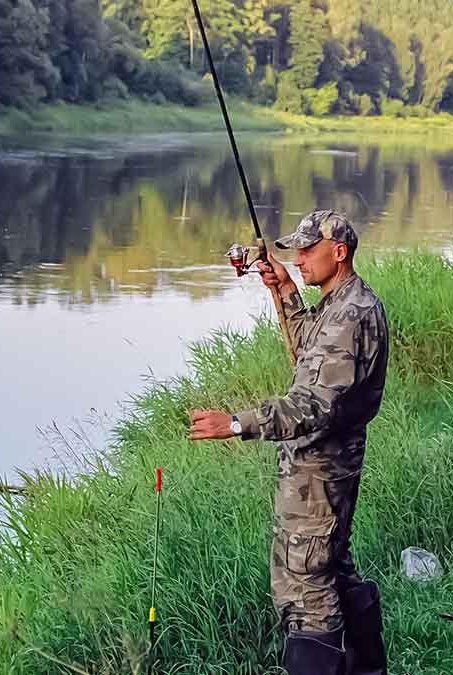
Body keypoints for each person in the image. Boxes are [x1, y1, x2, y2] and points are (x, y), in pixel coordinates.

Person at [189, 210, 390, 674]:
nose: (298, 259)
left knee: (304, 589)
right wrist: (283, 291)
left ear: (338, 253)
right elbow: (310, 353)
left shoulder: (350, 316)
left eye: (307, 250)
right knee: (332, 569)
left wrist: (237, 424)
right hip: (323, 471)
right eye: (294, 252)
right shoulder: (342, 304)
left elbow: (313, 404)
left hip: (320, 474)